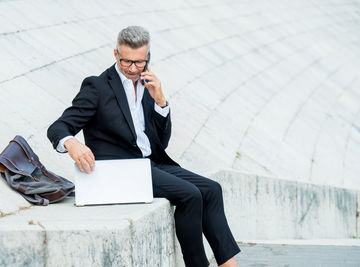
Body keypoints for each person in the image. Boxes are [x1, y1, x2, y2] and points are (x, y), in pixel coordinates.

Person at [47, 25, 240, 267]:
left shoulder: (148, 83)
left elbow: (162, 141)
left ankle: (229, 264)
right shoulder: (97, 87)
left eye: (140, 62)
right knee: (190, 195)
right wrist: (71, 142)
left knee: (211, 189)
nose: (133, 68)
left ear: (147, 57)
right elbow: (58, 127)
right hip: (122, 169)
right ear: (116, 54)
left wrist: (160, 101)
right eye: (127, 61)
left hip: (152, 163)